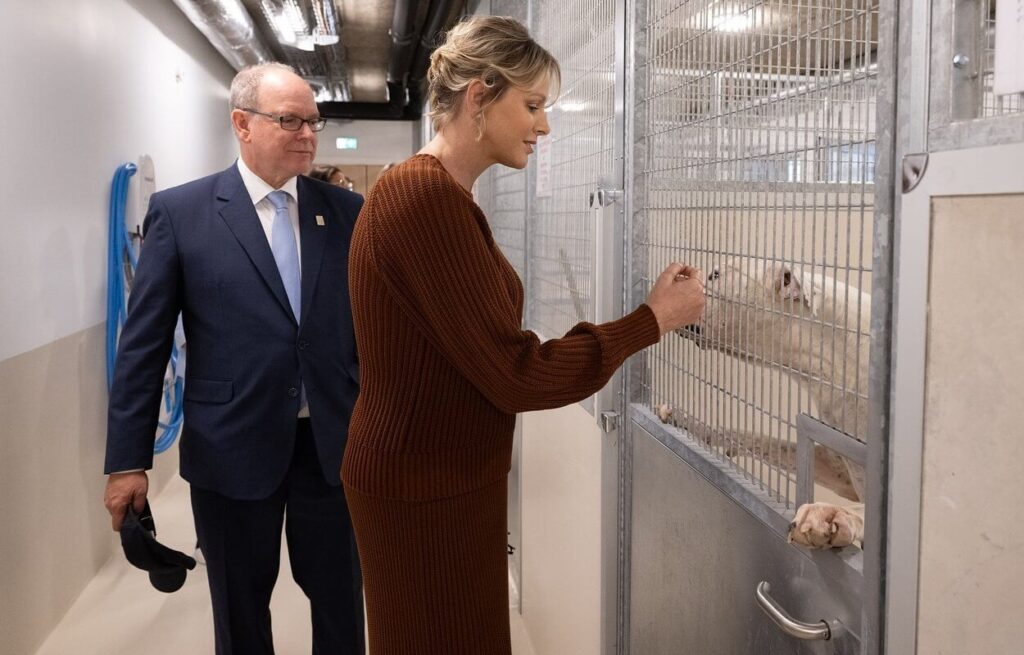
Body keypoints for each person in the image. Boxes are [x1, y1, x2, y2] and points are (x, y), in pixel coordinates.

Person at [343, 16, 706, 654]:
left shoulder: (443, 197)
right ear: (481, 96)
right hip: (424, 488)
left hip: (439, 474)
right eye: (533, 105)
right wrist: (651, 320)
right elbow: (517, 374)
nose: (543, 126)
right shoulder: (424, 201)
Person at [103, 62, 364, 655]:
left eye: (312, 121)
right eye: (289, 120)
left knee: (342, 602)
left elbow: (367, 331)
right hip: (231, 447)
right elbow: (142, 349)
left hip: (331, 446)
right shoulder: (182, 213)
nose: (307, 134)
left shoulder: (345, 213)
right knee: (240, 610)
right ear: (242, 124)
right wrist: (127, 462)